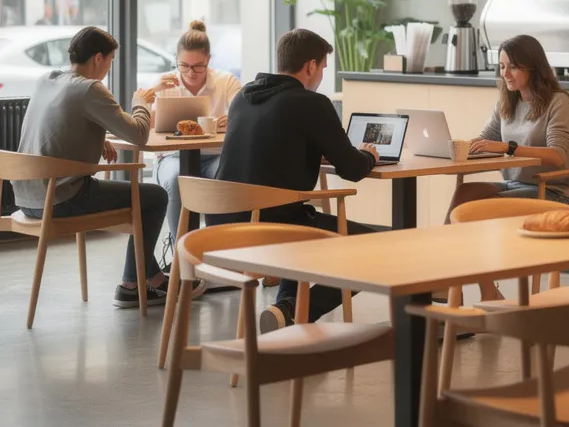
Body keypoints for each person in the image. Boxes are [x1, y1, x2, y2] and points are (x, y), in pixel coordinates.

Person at [211, 29, 384, 332]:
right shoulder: (311, 104)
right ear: (310, 66)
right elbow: (353, 169)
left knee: (296, 215)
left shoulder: (242, 97)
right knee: (373, 248)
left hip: (224, 228)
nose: (321, 77)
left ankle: (284, 313)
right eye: (323, 68)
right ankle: (298, 310)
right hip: (274, 229)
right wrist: (369, 155)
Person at [14, 27, 199, 307]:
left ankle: (155, 278)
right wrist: (141, 103)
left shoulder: (47, 79)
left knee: (142, 198)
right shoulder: (89, 88)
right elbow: (138, 134)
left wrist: (96, 139)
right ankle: (130, 284)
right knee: (155, 197)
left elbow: (54, 126)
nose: (109, 68)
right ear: (98, 58)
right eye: (111, 60)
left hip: (27, 196)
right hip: (62, 198)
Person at [450, 35, 569, 211]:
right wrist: (457, 147)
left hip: (551, 191)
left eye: (513, 67)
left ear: (534, 67)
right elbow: (484, 141)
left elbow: (557, 156)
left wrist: (507, 148)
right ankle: (448, 240)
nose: (505, 74)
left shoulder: (558, 102)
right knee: (464, 193)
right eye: (502, 67)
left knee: (483, 206)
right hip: (514, 184)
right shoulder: (508, 102)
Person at [144, 20, 242, 248]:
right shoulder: (164, 83)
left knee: (226, 176)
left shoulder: (226, 82)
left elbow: (244, 117)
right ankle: (183, 253)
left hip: (215, 156)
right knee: (178, 180)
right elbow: (140, 125)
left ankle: (219, 251)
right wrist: (153, 92)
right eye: (184, 65)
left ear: (208, 60)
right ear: (176, 61)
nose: (190, 73)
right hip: (172, 157)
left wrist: (233, 120)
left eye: (198, 66)